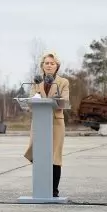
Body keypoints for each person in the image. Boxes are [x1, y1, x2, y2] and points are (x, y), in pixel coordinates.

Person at [23, 51, 70, 197]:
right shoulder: (37, 81)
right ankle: (40, 186)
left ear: (57, 66)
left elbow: (65, 101)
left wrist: (57, 99)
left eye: (52, 63)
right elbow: (31, 101)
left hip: (56, 123)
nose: (49, 66)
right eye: (46, 63)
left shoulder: (63, 82)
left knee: (55, 155)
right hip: (39, 123)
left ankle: (53, 190)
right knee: (37, 152)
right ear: (42, 66)